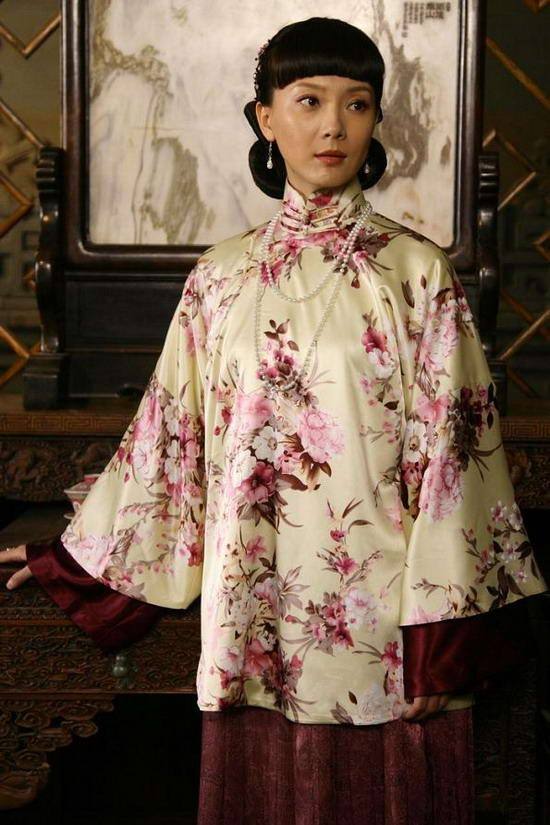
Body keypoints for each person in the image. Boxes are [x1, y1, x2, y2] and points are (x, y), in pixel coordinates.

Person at [1, 17, 548, 825]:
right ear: (265, 117)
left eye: (357, 104)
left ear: (376, 120)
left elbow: (456, 460)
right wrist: (75, 562)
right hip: (254, 617)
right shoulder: (219, 279)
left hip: (383, 629)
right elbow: (170, 443)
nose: (334, 126)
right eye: (309, 101)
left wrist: (441, 636)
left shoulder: (417, 274)